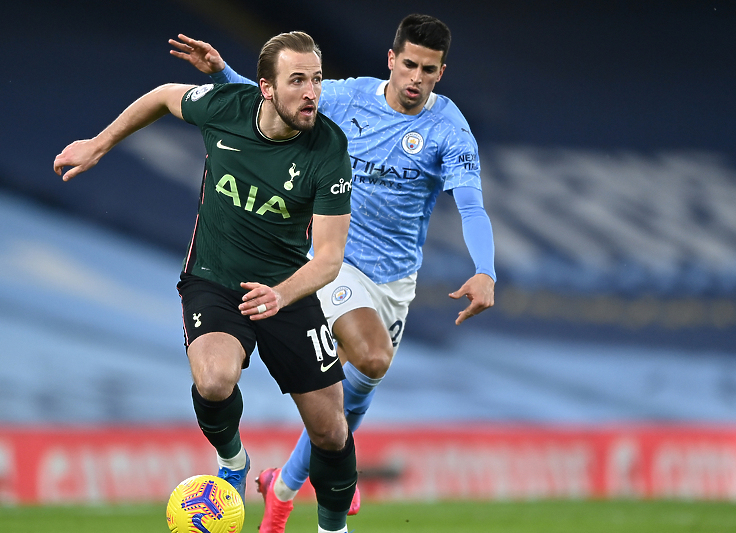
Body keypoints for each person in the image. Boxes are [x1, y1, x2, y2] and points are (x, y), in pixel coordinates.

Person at [170, 13, 496, 532]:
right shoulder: (349, 97)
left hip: (394, 281)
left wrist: (486, 270)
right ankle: (322, 500)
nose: (415, 77)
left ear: (441, 73)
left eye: (428, 70)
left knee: (357, 387)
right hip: (333, 261)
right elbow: (277, 97)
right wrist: (223, 71)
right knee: (369, 354)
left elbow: (472, 206)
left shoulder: (449, 130)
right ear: (391, 60)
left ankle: (283, 487)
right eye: (408, 64)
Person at [54, 31, 358, 533]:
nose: (312, 93)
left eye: (317, 80)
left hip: (287, 290)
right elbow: (161, 96)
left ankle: (333, 529)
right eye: (298, 80)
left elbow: (327, 259)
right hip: (215, 282)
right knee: (214, 380)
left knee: (330, 432)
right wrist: (99, 144)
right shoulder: (224, 107)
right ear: (266, 88)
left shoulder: (327, 147)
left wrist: (281, 294)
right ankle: (233, 461)